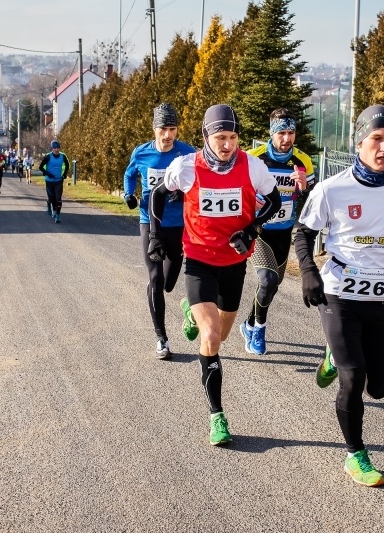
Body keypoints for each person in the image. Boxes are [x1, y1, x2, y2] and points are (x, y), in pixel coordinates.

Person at [293, 104, 384, 487]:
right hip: (340, 293)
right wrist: (307, 273)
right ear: (359, 143)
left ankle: (333, 354)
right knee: (354, 378)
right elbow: (302, 233)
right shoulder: (332, 190)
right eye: (376, 139)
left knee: (380, 387)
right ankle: (356, 455)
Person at [149, 104, 281, 446]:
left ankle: (190, 312)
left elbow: (274, 199)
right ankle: (217, 416)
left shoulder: (252, 167)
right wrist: (155, 236)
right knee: (210, 336)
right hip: (198, 259)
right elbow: (158, 196)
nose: (228, 145)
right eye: (221, 137)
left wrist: (252, 230)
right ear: (206, 136)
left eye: (233, 137)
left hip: (234, 263)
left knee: (220, 334)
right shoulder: (186, 167)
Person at [123, 103, 196, 360]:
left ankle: (185, 305)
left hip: (178, 225)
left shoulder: (188, 154)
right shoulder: (141, 153)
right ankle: (161, 338)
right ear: (154, 129)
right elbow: (129, 174)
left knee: (168, 282)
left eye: (172, 129)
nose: (167, 135)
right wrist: (128, 194)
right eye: (163, 129)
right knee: (155, 278)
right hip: (150, 222)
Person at [240, 108, 316, 355]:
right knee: (267, 279)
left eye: (291, 132)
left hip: (284, 232)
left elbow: (313, 202)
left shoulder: (303, 161)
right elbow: (236, 191)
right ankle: (259, 330)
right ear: (271, 133)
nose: (286, 139)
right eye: (281, 133)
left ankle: (249, 323)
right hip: (260, 230)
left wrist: (304, 189)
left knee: (271, 286)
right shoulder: (254, 157)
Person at [38, 140, 70, 223]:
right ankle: (49, 203)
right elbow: (41, 167)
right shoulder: (48, 157)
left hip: (59, 180)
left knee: (58, 198)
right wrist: (48, 174)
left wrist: (64, 174)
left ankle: (57, 216)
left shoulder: (62, 156)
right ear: (52, 148)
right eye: (55, 148)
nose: (56, 149)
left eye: (58, 148)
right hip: (49, 181)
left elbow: (67, 165)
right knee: (52, 199)